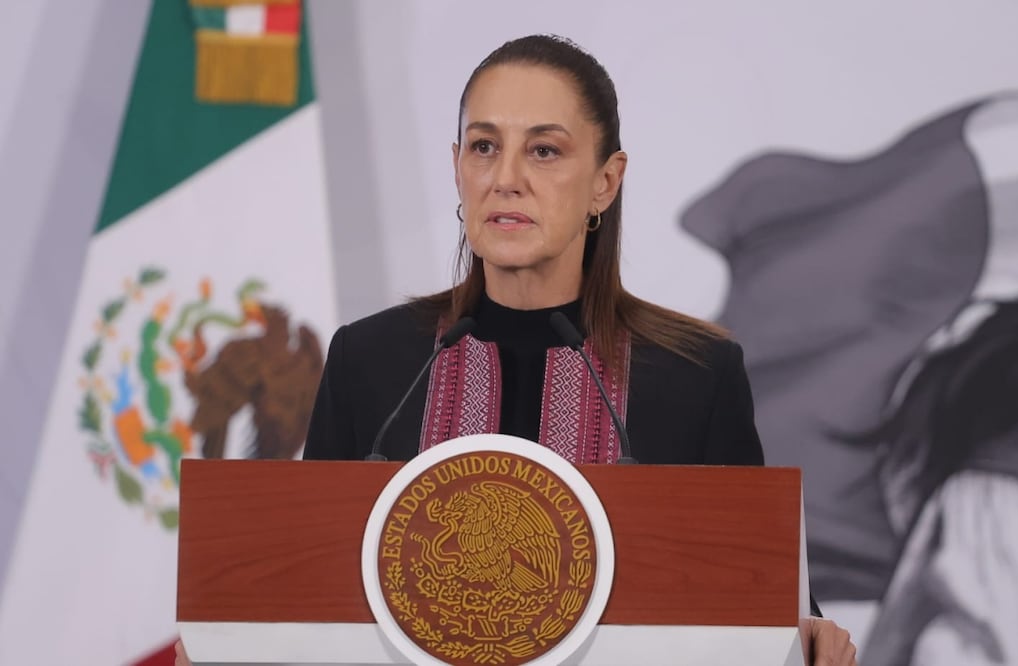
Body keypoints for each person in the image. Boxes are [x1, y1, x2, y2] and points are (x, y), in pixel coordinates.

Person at [176, 34, 856, 666]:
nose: (505, 178)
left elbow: (753, 592)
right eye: (482, 147)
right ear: (456, 168)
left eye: (544, 150)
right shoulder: (371, 362)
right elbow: (309, 591)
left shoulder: (693, 374)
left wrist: (810, 631)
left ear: (605, 181)